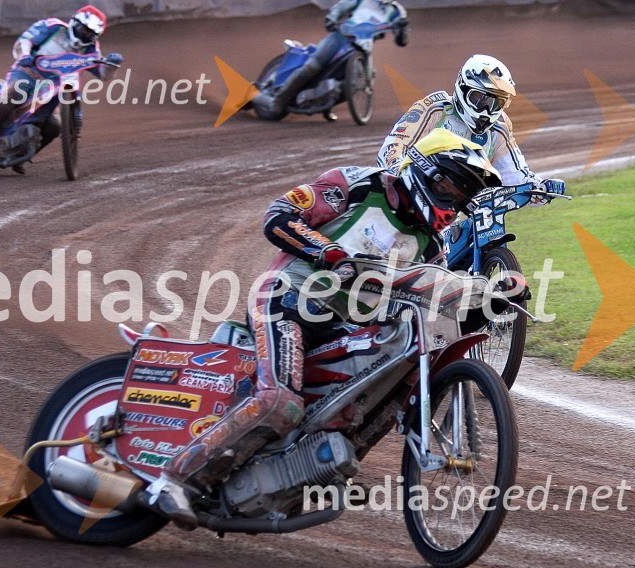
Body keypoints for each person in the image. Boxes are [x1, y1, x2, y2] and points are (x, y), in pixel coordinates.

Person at [143, 128, 514, 529]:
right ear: (423, 170)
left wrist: (489, 303)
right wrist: (328, 252)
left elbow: (436, 300)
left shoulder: (430, 245)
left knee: (385, 391)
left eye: (461, 196)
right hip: (287, 299)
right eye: (449, 186)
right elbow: (279, 215)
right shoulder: (355, 185)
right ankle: (175, 479)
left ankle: (309, 472)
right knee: (279, 402)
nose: (452, 200)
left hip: (344, 328)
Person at [0, 5, 123, 172]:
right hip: (28, 72)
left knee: (54, 125)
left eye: (90, 33)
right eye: (82, 29)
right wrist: (25, 56)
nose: (85, 34)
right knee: (12, 97)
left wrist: (112, 65)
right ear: (74, 22)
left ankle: (19, 157)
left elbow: (103, 74)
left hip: (54, 87)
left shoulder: (91, 49)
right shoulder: (53, 27)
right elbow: (25, 41)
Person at [377, 54, 565, 197]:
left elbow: (515, 175)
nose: (486, 110)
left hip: (462, 211)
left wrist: (540, 187)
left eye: (496, 103)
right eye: (480, 99)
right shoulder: (434, 109)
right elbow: (392, 149)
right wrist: (399, 172)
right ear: (462, 88)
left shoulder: (499, 128)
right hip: (412, 198)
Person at [251, 0, 409, 119]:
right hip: (340, 37)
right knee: (312, 67)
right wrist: (332, 18)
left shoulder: (397, 11)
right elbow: (341, 7)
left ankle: (326, 104)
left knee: (363, 81)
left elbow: (402, 40)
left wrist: (402, 29)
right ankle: (277, 101)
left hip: (364, 46)